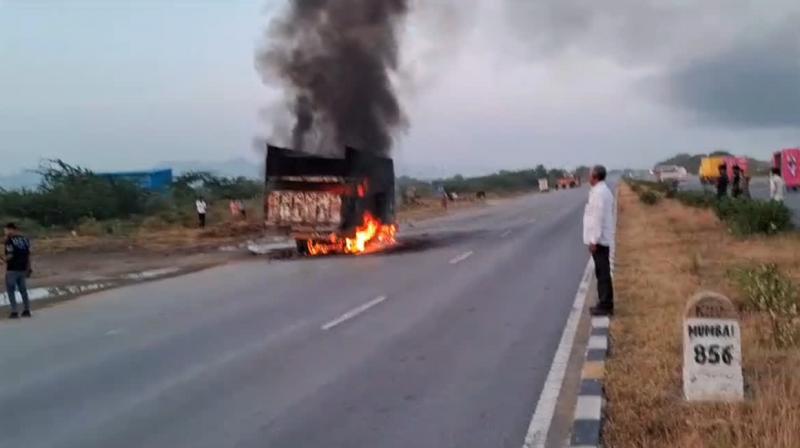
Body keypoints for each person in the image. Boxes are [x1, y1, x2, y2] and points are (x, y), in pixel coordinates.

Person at [583, 165, 615, 316]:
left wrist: (593, 240)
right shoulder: (601, 191)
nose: (588, 177)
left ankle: (605, 304)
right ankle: (604, 302)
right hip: (601, 238)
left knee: (602, 273)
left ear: (595, 177)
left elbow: (597, 218)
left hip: (600, 240)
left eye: (590, 175)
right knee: (602, 272)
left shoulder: (599, 193)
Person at [3, 223, 32, 319]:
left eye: (6, 230)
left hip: (12, 269)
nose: (5, 232)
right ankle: (27, 310)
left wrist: (3, 260)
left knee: (11, 290)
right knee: (23, 290)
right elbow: (28, 255)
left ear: (11, 230)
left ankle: (14, 312)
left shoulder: (9, 241)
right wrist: (29, 268)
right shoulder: (25, 240)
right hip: (23, 268)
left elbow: (10, 255)